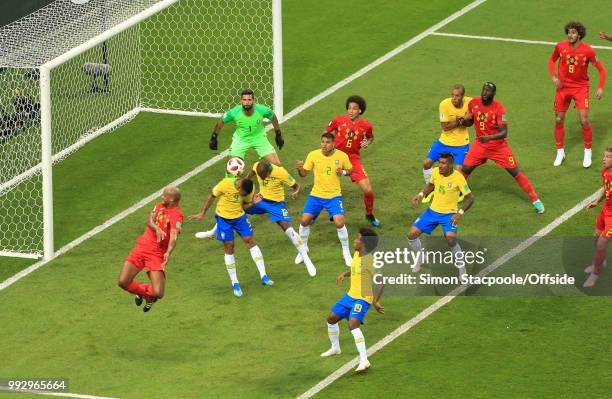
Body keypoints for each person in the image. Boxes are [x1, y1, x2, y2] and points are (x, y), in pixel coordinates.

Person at [462, 82, 545, 214]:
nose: (485, 92)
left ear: (493, 94)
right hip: (480, 144)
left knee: (515, 171)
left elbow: (504, 132)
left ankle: (536, 200)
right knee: (465, 168)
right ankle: (453, 195)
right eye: (484, 89)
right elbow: (472, 121)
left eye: (488, 91)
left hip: (498, 147)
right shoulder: (473, 102)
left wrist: (488, 138)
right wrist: (465, 121)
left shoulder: (499, 108)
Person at [189, 176, 273, 297]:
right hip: (223, 219)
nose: (241, 195)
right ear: (238, 186)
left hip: (239, 217)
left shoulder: (249, 188)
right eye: (241, 192)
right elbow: (212, 196)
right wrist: (202, 212)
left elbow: (244, 207)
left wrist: (253, 203)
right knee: (229, 247)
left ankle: (264, 275)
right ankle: (235, 283)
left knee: (249, 241)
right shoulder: (225, 184)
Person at [321, 228, 384, 373]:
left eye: (357, 238)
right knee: (331, 318)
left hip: (363, 298)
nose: (354, 240)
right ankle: (335, 348)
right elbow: (355, 269)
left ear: (364, 243)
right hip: (350, 296)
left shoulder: (369, 260)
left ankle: (364, 360)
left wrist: (376, 301)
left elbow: (381, 281)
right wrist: (345, 273)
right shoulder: (357, 254)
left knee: (353, 324)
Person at [549, 21, 606, 168]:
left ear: (579, 34)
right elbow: (552, 60)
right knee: (558, 119)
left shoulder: (588, 51)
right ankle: (560, 152)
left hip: (580, 88)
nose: (570, 34)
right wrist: (554, 77)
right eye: (568, 31)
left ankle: (588, 151)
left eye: (573, 32)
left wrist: (600, 87)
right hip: (563, 88)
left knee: (584, 121)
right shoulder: (560, 46)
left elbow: (602, 70)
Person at [117, 186, 183, 313]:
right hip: (142, 247)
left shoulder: (177, 215)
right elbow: (150, 221)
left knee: (159, 293)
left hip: (157, 253)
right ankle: (145, 294)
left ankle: (145, 293)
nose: (162, 197)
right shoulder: (159, 206)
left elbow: (174, 235)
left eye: (165, 195)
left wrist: (168, 252)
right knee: (123, 282)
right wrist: (156, 228)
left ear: (172, 199)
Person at [408, 153, 473, 276]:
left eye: (443, 163)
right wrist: (421, 195)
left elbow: (470, 198)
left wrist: (460, 213)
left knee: (451, 240)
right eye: (439, 162)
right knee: (411, 235)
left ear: (450, 165)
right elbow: (431, 185)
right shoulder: (436, 172)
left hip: (449, 215)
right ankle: (420, 257)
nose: (440, 165)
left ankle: (462, 270)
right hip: (432, 212)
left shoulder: (458, 178)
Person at [295, 133, 353, 266]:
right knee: (304, 221)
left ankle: (346, 253)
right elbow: (304, 174)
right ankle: (303, 250)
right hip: (316, 195)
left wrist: (343, 172)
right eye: (322, 142)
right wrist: (299, 168)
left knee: (339, 223)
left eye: (327, 142)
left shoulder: (342, 156)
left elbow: (350, 169)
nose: (324, 145)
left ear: (333, 144)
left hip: (333, 196)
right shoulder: (313, 155)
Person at [325, 95, 380, 226]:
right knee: (326, 188)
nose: (350, 111)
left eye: (354, 108)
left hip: (353, 159)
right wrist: (328, 145)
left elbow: (370, 137)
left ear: (360, 111)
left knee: (368, 190)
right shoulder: (338, 120)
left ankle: (369, 214)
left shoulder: (366, 125)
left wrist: (367, 142)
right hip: (335, 157)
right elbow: (326, 132)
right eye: (349, 108)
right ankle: (320, 214)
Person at [422, 84, 472, 203]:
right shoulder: (444, 104)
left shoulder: (470, 102)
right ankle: (432, 188)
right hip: (444, 141)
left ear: (463, 97)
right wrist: (462, 120)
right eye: (452, 95)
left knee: (459, 171)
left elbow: (474, 115)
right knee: (426, 163)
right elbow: (445, 127)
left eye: (457, 96)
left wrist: (470, 119)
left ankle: (459, 192)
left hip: (461, 143)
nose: (454, 98)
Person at [209, 89, 284, 166]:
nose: (247, 102)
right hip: (241, 139)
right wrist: (214, 137)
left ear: (253, 101)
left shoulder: (262, 110)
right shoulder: (235, 112)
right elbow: (221, 120)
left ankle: (264, 163)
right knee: (232, 168)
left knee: (277, 165)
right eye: (244, 100)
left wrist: (278, 134)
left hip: (259, 138)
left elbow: (272, 116)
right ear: (241, 101)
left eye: (249, 100)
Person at [583, 147, 612, 288]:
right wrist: (597, 200)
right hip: (605, 210)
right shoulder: (605, 171)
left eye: (608, 157)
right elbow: (605, 187)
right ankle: (601, 261)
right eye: (604, 156)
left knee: (601, 243)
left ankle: (595, 274)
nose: (604, 159)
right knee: (596, 236)